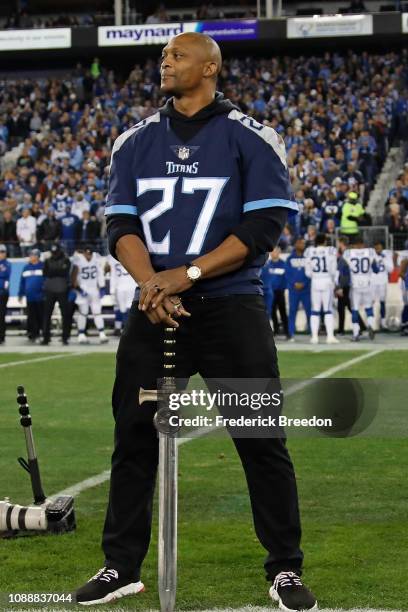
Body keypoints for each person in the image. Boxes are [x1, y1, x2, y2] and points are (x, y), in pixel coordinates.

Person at [73, 32, 317, 611]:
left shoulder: (253, 137)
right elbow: (120, 227)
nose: (165, 63)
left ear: (210, 67)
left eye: (177, 55)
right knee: (133, 438)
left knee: (261, 440)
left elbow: (260, 231)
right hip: (155, 310)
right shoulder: (133, 141)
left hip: (230, 308)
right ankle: (120, 566)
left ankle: (284, 567)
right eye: (162, 56)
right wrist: (152, 284)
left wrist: (184, 275)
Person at [305, 234, 339, 344]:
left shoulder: (309, 251)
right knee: (328, 309)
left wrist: (315, 275)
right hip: (326, 280)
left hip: (315, 281)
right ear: (324, 241)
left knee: (315, 310)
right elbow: (333, 270)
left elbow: (307, 272)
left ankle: (314, 337)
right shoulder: (331, 251)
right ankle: (330, 336)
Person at [71, 245, 108, 344]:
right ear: (83, 253)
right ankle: (81, 334)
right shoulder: (78, 259)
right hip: (82, 289)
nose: (89, 256)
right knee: (83, 312)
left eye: (90, 253)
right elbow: (73, 276)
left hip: (93, 289)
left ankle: (102, 334)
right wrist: (78, 289)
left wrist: (102, 287)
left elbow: (100, 273)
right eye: (87, 253)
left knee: (97, 312)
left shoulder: (96, 257)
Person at [343, 236, 377, 341]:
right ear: (363, 244)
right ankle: (371, 325)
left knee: (355, 309)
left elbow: (344, 271)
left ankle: (356, 333)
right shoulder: (370, 252)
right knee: (368, 308)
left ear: (354, 245)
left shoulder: (348, 253)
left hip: (355, 284)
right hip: (367, 284)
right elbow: (376, 269)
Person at [42, 243, 71, 345]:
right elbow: (46, 272)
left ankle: (65, 337)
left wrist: (54, 271)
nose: (54, 254)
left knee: (65, 314)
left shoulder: (65, 260)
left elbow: (64, 272)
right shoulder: (48, 260)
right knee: (47, 314)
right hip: (53, 287)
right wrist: (58, 270)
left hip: (61, 288)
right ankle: (46, 337)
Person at [285, 237, 311, 341]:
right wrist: (294, 283)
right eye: (300, 243)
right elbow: (287, 274)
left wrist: (304, 283)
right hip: (293, 290)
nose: (302, 245)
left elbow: (311, 273)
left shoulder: (308, 258)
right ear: (295, 245)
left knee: (309, 311)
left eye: (303, 243)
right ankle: (291, 333)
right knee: (292, 311)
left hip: (306, 290)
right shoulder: (290, 258)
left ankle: (312, 333)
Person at [261, 246, 288, 338]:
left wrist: (283, 288)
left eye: (275, 252)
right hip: (270, 292)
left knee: (282, 312)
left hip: (280, 291)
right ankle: (275, 331)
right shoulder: (267, 265)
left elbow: (286, 279)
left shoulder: (284, 264)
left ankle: (288, 333)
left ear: (279, 252)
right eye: (272, 252)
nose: (273, 253)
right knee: (272, 312)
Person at [18, 248, 44, 342]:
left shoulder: (43, 267)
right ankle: (33, 333)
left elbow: (45, 281)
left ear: (37, 256)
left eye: (32, 255)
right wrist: (20, 294)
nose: (31, 257)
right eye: (30, 255)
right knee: (31, 315)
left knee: (40, 315)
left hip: (40, 296)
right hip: (30, 296)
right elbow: (22, 282)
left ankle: (41, 332)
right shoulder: (26, 267)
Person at [108, 255, 137, 336]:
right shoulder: (131, 255)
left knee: (123, 309)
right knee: (128, 308)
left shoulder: (112, 258)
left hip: (120, 287)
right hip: (131, 285)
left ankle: (125, 330)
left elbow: (112, 274)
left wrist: (112, 289)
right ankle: (128, 330)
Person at [372, 241, 393, 329]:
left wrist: (384, 259)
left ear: (382, 248)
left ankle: (383, 321)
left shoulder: (386, 255)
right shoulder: (371, 255)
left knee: (382, 302)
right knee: (371, 302)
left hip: (383, 281)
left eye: (379, 248)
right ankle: (372, 322)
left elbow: (391, 269)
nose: (378, 250)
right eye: (376, 248)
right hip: (373, 282)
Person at [0, 243, 11, 344]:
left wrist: (4, 288)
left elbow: (5, 276)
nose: (1, 254)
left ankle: (1, 336)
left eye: (3, 252)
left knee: (1, 315)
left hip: (2, 293)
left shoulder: (7, 264)